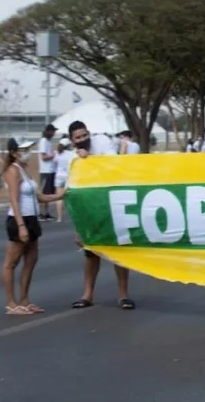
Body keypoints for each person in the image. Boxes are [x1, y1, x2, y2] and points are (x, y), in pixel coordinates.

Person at [68, 121, 135, 310]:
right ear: (72, 140)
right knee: (91, 253)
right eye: (77, 138)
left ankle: (123, 295)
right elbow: (71, 193)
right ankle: (87, 294)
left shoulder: (103, 143)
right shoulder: (70, 158)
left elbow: (113, 165)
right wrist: (77, 228)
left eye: (84, 135)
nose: (82, 140)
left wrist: (89, 159)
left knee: (118, 251)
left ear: (89, 133)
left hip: (111, 202)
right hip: (89, 207)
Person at [1, 138, 65, 315]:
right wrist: (21, 225)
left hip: (32, 219)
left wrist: (60, 195)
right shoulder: (12, 171)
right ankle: (11, 303)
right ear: (15, 153)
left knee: (31, 260)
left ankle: (24, 299)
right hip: (18, 219)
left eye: (29, 148)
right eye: (24, 149)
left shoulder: (25, 171)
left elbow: (39, 196)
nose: (28, 152)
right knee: (11, 262)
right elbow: (13, 199)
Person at [37, 124, 58, 220]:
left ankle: (46, 212)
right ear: (48, 131)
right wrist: (53, 155)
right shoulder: (43, 141)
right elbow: (43, 157)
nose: (54, 133)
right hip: (45, 171)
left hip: (50, 170)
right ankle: (41, 213)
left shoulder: (49, 142)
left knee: (48, 193)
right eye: (53, 131)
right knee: (43, 193)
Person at [53, 138, 75, 223]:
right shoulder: (71, 154)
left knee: (59, 198)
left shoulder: (58, 153)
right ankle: (72, 215)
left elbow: (55, 163)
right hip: (67, 177)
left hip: (59, 176)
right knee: (68, 198)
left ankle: (59, 217)